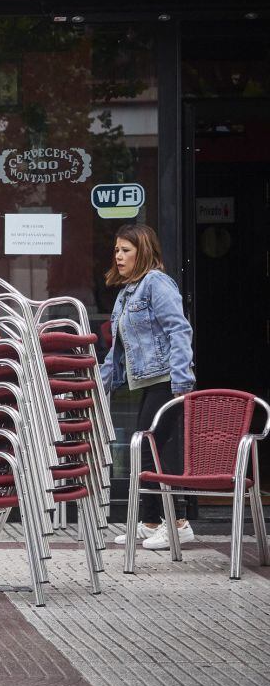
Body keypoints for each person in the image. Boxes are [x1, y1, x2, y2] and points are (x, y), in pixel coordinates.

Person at [101, 223, 196, 550]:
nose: (119, 255)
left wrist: (182, 379)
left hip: (167, 379)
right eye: (116, 250)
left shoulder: (156, 283)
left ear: (143, 251)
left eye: (126, 250)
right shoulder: (128, 292)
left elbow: (179, 330)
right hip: (150, 381)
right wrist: (101, 385)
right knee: (147, 448)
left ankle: (179, 523)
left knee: (156, 449)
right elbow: (118, 348)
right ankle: (152, 521)